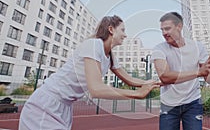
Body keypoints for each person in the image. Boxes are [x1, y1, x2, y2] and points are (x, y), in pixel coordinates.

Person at [19, 15, 159, 130]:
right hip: (46, 105)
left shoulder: (109, 56)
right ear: (111, 29)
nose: (125, 34)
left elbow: (129, 79)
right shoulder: (93, 44)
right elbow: (96, 89)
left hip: (64, 107)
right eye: (122, 30)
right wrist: (137, 94)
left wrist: (157, 82)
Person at [151, 12, 210, 130]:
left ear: (179, 26)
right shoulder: (159, 49)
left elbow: (208, 78)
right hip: (169, 104)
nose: (164, 33)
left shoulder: (198, 47)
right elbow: (165, 77)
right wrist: (198, 72)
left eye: (167, 28)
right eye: (162, 30)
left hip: (192, 102)